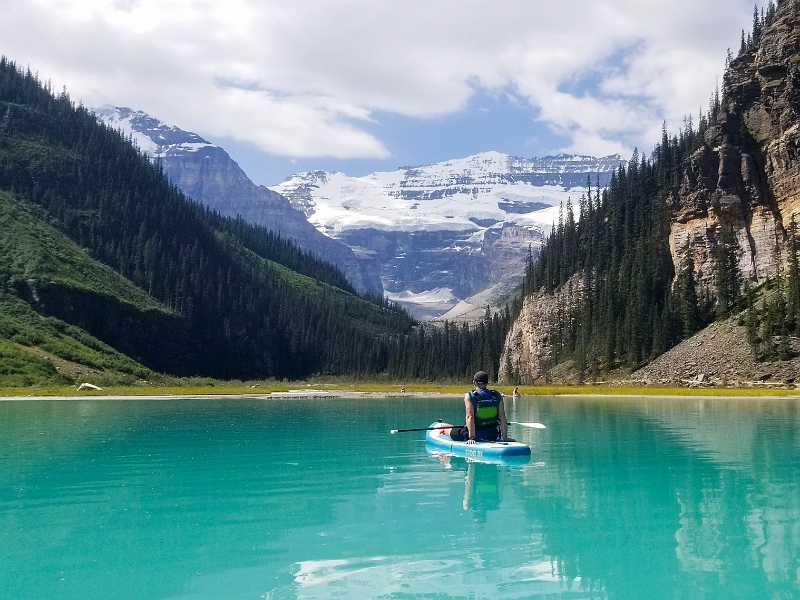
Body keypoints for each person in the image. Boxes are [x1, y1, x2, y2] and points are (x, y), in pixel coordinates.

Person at [441, 371, 513, 444]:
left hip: (477, 436)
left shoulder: (469, 396)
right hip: (493, 435)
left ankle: (443, 429)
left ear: (474, 382)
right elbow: (502, 416)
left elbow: (470, 417)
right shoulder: (497, 395)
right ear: (487, 382)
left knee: (453, 432)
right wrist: (505, 437)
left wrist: (471, 437)